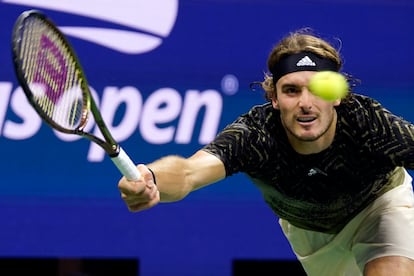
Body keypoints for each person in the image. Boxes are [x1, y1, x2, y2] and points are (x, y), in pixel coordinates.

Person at [117, 28, 414, 276]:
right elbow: (189, 172)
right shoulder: (256, 136)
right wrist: (152, 178)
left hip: (379, 207)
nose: (306, 103)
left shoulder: (369, 124)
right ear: (274, 98)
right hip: (312, 234)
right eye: (292, 90)